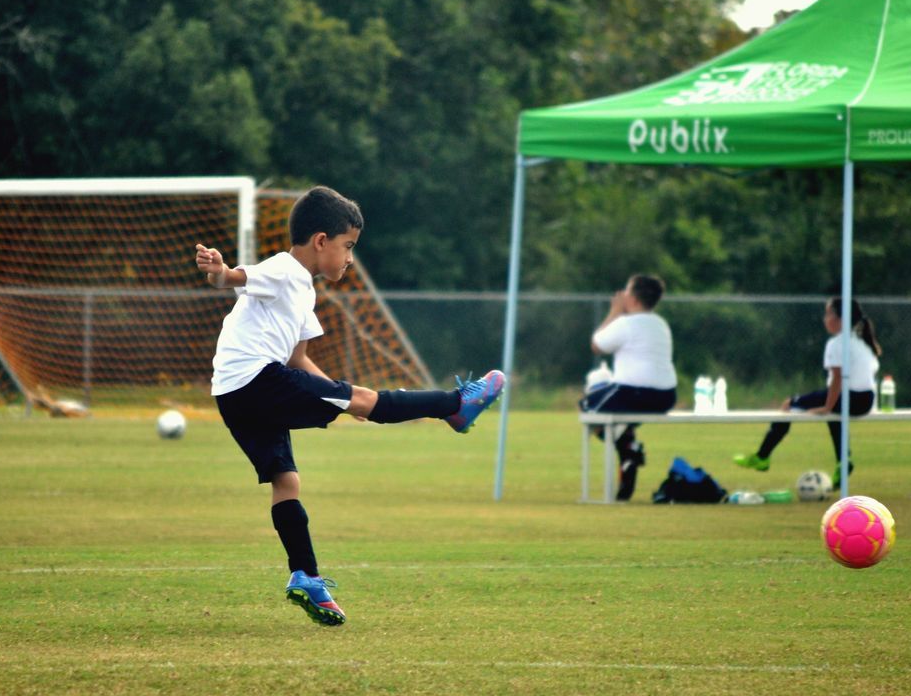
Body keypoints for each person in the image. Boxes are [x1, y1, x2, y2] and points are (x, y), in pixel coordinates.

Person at [195, 185, 505, 627]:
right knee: (365, 397)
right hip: (255, 380)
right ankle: (456, 405)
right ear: (321, 241)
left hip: (234, 392)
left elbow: (298, 359)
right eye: (348, 247)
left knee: (287, 481)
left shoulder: (304, 292)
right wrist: (220, 270)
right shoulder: (283, 270)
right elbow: (233, 279)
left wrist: (346, 402)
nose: (350, 258)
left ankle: (306, 577)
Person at [733, 296, 882, 485]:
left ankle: (762, 456)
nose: (824, 319)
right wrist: (830, 405)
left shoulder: (837, 344)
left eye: (828, 314)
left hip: (849, 398)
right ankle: (843, 461)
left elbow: (837, 380)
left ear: (840, 319)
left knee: (790, 404)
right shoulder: (862, 342)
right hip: (866, 401)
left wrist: (827, 406)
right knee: (834, 414)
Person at [580, 274, 677, 500]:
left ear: (632, 299)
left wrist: (614, 312)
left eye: (626, 291)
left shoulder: (625, 323)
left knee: (587, 407)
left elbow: (597, 345)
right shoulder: (661, 324)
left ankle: (629, 451)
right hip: (666, 396)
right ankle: (628, 453)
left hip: (634, 392)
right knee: (620, 419)